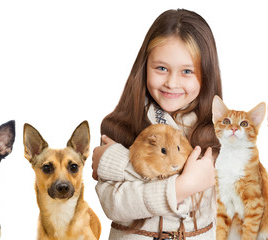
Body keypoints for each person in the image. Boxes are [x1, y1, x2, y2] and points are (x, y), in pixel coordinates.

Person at [92, 8, 222, 240]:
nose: (172, 83)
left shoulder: (218, 133)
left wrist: (120, 162)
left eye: (187, 71)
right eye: (161, 68)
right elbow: (114, 204)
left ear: (206, 74)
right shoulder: (119, 127)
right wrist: (183, 185)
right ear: (144, 67)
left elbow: (203, 190)